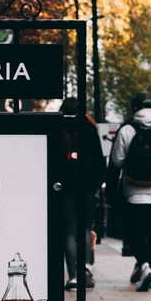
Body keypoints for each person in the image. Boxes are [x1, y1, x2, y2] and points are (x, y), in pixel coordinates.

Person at [108, 92, 151, 291]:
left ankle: (144, 265)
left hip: (133, 190)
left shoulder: (127, 130)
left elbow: (117, 161)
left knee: (135, 231)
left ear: (134, 109)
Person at [61, 97, 105, 288]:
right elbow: (99, 162)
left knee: (69, 231)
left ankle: (73, 275)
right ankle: (86, 266)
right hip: (87, 188)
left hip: (64, 188)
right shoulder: (89, 130)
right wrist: (95, 184)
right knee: (85, 228)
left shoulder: (58, 130)